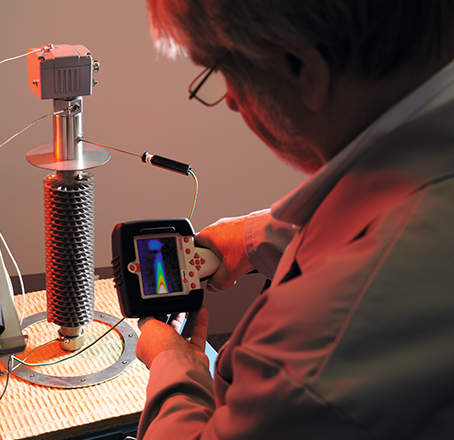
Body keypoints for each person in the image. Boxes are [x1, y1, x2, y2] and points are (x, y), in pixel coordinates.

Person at [134, 1, 454, 439]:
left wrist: (176, 367)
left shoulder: (321, 341)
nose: (231, 100)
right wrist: (256, 237)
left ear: (301, 68)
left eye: (224, 71)